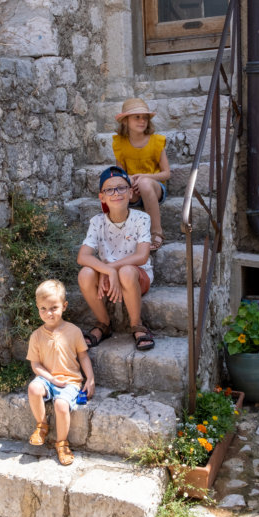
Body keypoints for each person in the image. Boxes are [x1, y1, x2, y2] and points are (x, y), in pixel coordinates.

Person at [77, 165, 155, 351]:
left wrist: (111, 268)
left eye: (121, 188)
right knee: (85, 274)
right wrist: (108, 271)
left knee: (126, 272)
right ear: (102, 197)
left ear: (130, 193)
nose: (116, 193)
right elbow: (83, 256)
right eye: (109, 189)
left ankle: (137, 324)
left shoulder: (142, 218)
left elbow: (142, 256)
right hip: (107, 278)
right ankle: (103, 323)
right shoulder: (97, 222)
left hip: (136, 276)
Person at [26, 279, 95, 466]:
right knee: (33, 388)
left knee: (61, 405)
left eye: (54, 308)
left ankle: (62, 443)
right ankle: (42, 425)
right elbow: (36, 364)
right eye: (43, 309)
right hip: (47, 379)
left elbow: (83, 356)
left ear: (64, 306)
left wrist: (90, 378)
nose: (48, 313)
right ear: (38, 308)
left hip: (70, 381)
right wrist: (51, 378)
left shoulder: (74, 331)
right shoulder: (36, 336)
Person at [112, 97, 170, 251]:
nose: (142, 121)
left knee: (144, 183)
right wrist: (130, 179)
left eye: (145, 117)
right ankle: (121, 234)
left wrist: (145, 177)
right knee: (118, 185)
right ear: (125, 121)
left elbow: (166, 174)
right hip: (134, 191)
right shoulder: (120, 144)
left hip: (155, 187)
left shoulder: (156, 142)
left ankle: (156, 232)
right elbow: (120, 174)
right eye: (137, 117)